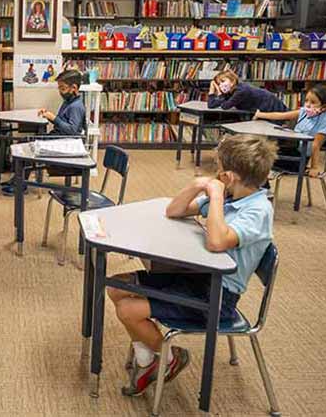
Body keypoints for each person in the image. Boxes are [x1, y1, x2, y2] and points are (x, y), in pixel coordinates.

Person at [107, 134, 277, 396]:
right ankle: (148, 360)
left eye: (219, 168)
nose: (215, 173)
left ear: (229, 176)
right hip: (195, 275)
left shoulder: (257, 211)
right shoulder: (231, 196)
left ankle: (169, 358)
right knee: (117, 286)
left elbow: (216, 242)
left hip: (217, 296)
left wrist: (216, 196)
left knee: (128, 309)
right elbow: (174, 210)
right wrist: (197, 185)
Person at [254, 84, 326, 177]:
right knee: (259, 153)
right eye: (306, 100)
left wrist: (314, 167)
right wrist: (260, 114)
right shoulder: (304, 112)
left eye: (313, 102)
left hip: (300, 158)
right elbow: (281, 115)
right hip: (291, 149)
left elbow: (316, 144)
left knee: (261, 158)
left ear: (325, 106)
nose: (308, 104)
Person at [207, 69, 287, 113]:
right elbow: (211, 105)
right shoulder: (230, 91)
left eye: (223, 81)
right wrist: (212, 89)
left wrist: (220, 93)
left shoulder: (241, 90)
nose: (221, 85)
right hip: (261, 109)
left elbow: (225, 106)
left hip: (272, 106)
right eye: (219, 84)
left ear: (233, 81)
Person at [38, 68, 86, 135]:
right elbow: (61, 122)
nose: (60, 92)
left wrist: (54, 118)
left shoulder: (76, 106)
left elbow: (72, 130)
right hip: (58, 135)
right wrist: (48, 115)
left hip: (65, 139)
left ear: (74, 88)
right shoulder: (67, 101)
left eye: (63, 88)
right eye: (59, 88)